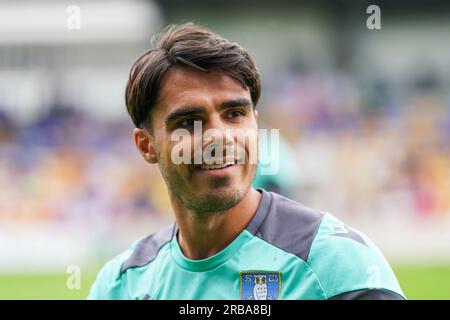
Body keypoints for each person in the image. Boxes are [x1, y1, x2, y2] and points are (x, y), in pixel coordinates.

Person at [88, 23, 405, 300]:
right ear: (146, 146)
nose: (219, 137)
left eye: (234, 114)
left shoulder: (336, 267)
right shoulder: (121, 285)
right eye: (188, 121)